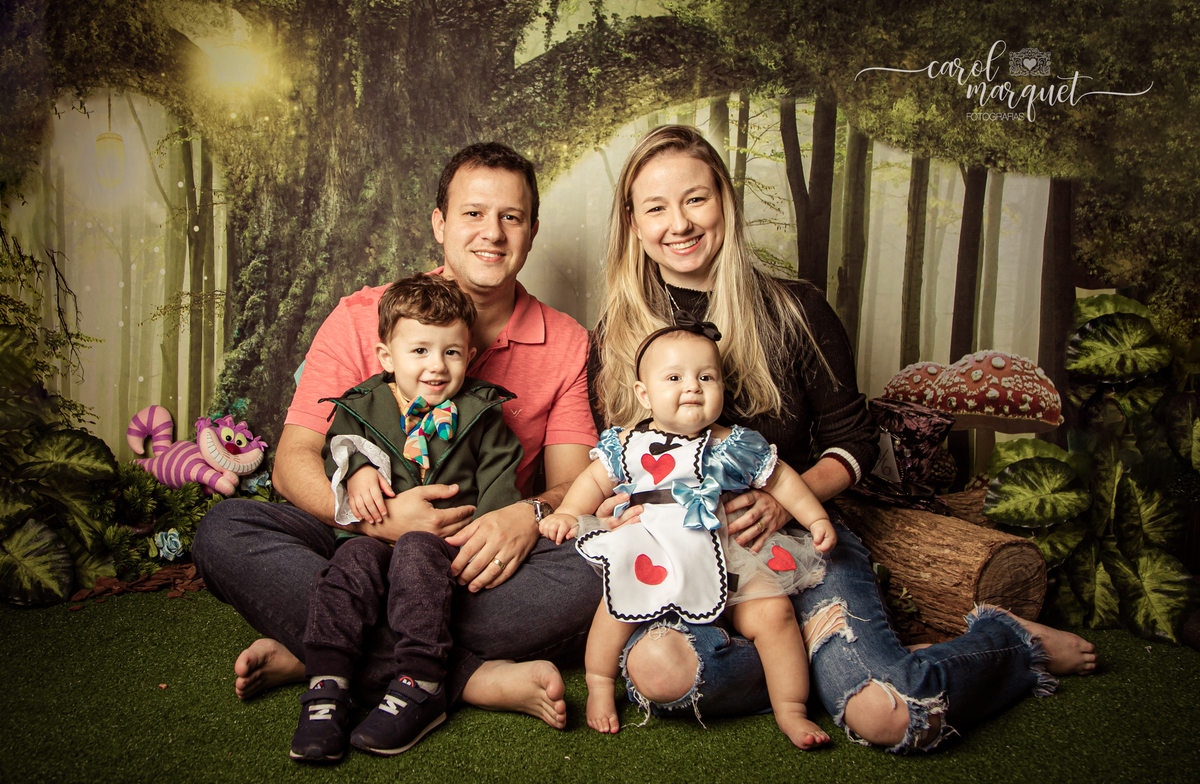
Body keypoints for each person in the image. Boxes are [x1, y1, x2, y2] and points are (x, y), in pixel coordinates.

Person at [587, 124, 1097, 752]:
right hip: (684, 560)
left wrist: (782, 503)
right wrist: (612, 509)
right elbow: (616, 461)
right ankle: (825, 661)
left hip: (796, 545)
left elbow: (855, 439)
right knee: (660, 674)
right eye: (656, 208)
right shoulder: (615, 334)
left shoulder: (795, 309)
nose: (680, 223)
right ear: (633, 224)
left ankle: (1009, 644)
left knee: (886, 715)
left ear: (725, 201)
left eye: (696, 199)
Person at [193, 143, 601, 731]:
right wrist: (378, 521)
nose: (492, 233)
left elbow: (572, 488)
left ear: (532, 231)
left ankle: (325, 649)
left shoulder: (564, 342)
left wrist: (527, 514)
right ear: (439, 224)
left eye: (511, 217)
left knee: (596, 568)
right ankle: (464, 677)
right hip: (355, 544)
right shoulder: (362, 316)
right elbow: (292, 463)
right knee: (225, 530)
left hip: (471, 558)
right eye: (473, 213)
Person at [541, 323, 834, 749]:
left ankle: (791, 708)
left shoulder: (734, 445)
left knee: (775, 615)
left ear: (722, 387)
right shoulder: (628, 444)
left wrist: (815, 517)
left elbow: (783, 480)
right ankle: (600, 682)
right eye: (675, 377)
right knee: (616, 606)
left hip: (730, 552)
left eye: (706, 377)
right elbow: (593, 480)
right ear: (644, 394)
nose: (693, 387)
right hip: (654, 548)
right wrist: (569, 512)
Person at [290, 274, 523, 762]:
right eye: (419, 351)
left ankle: (422, 680)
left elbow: (500, 483)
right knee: (349, 559)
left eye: (451, 352)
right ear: (386, 357)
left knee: (418, 550)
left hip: (448, 551)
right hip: (375, 540)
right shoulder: (361, 405)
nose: (436, 366)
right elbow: (340, 449)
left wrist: (483, 534)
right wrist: (356, 472)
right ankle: (327, 682)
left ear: (469, 355)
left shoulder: (483, 412)